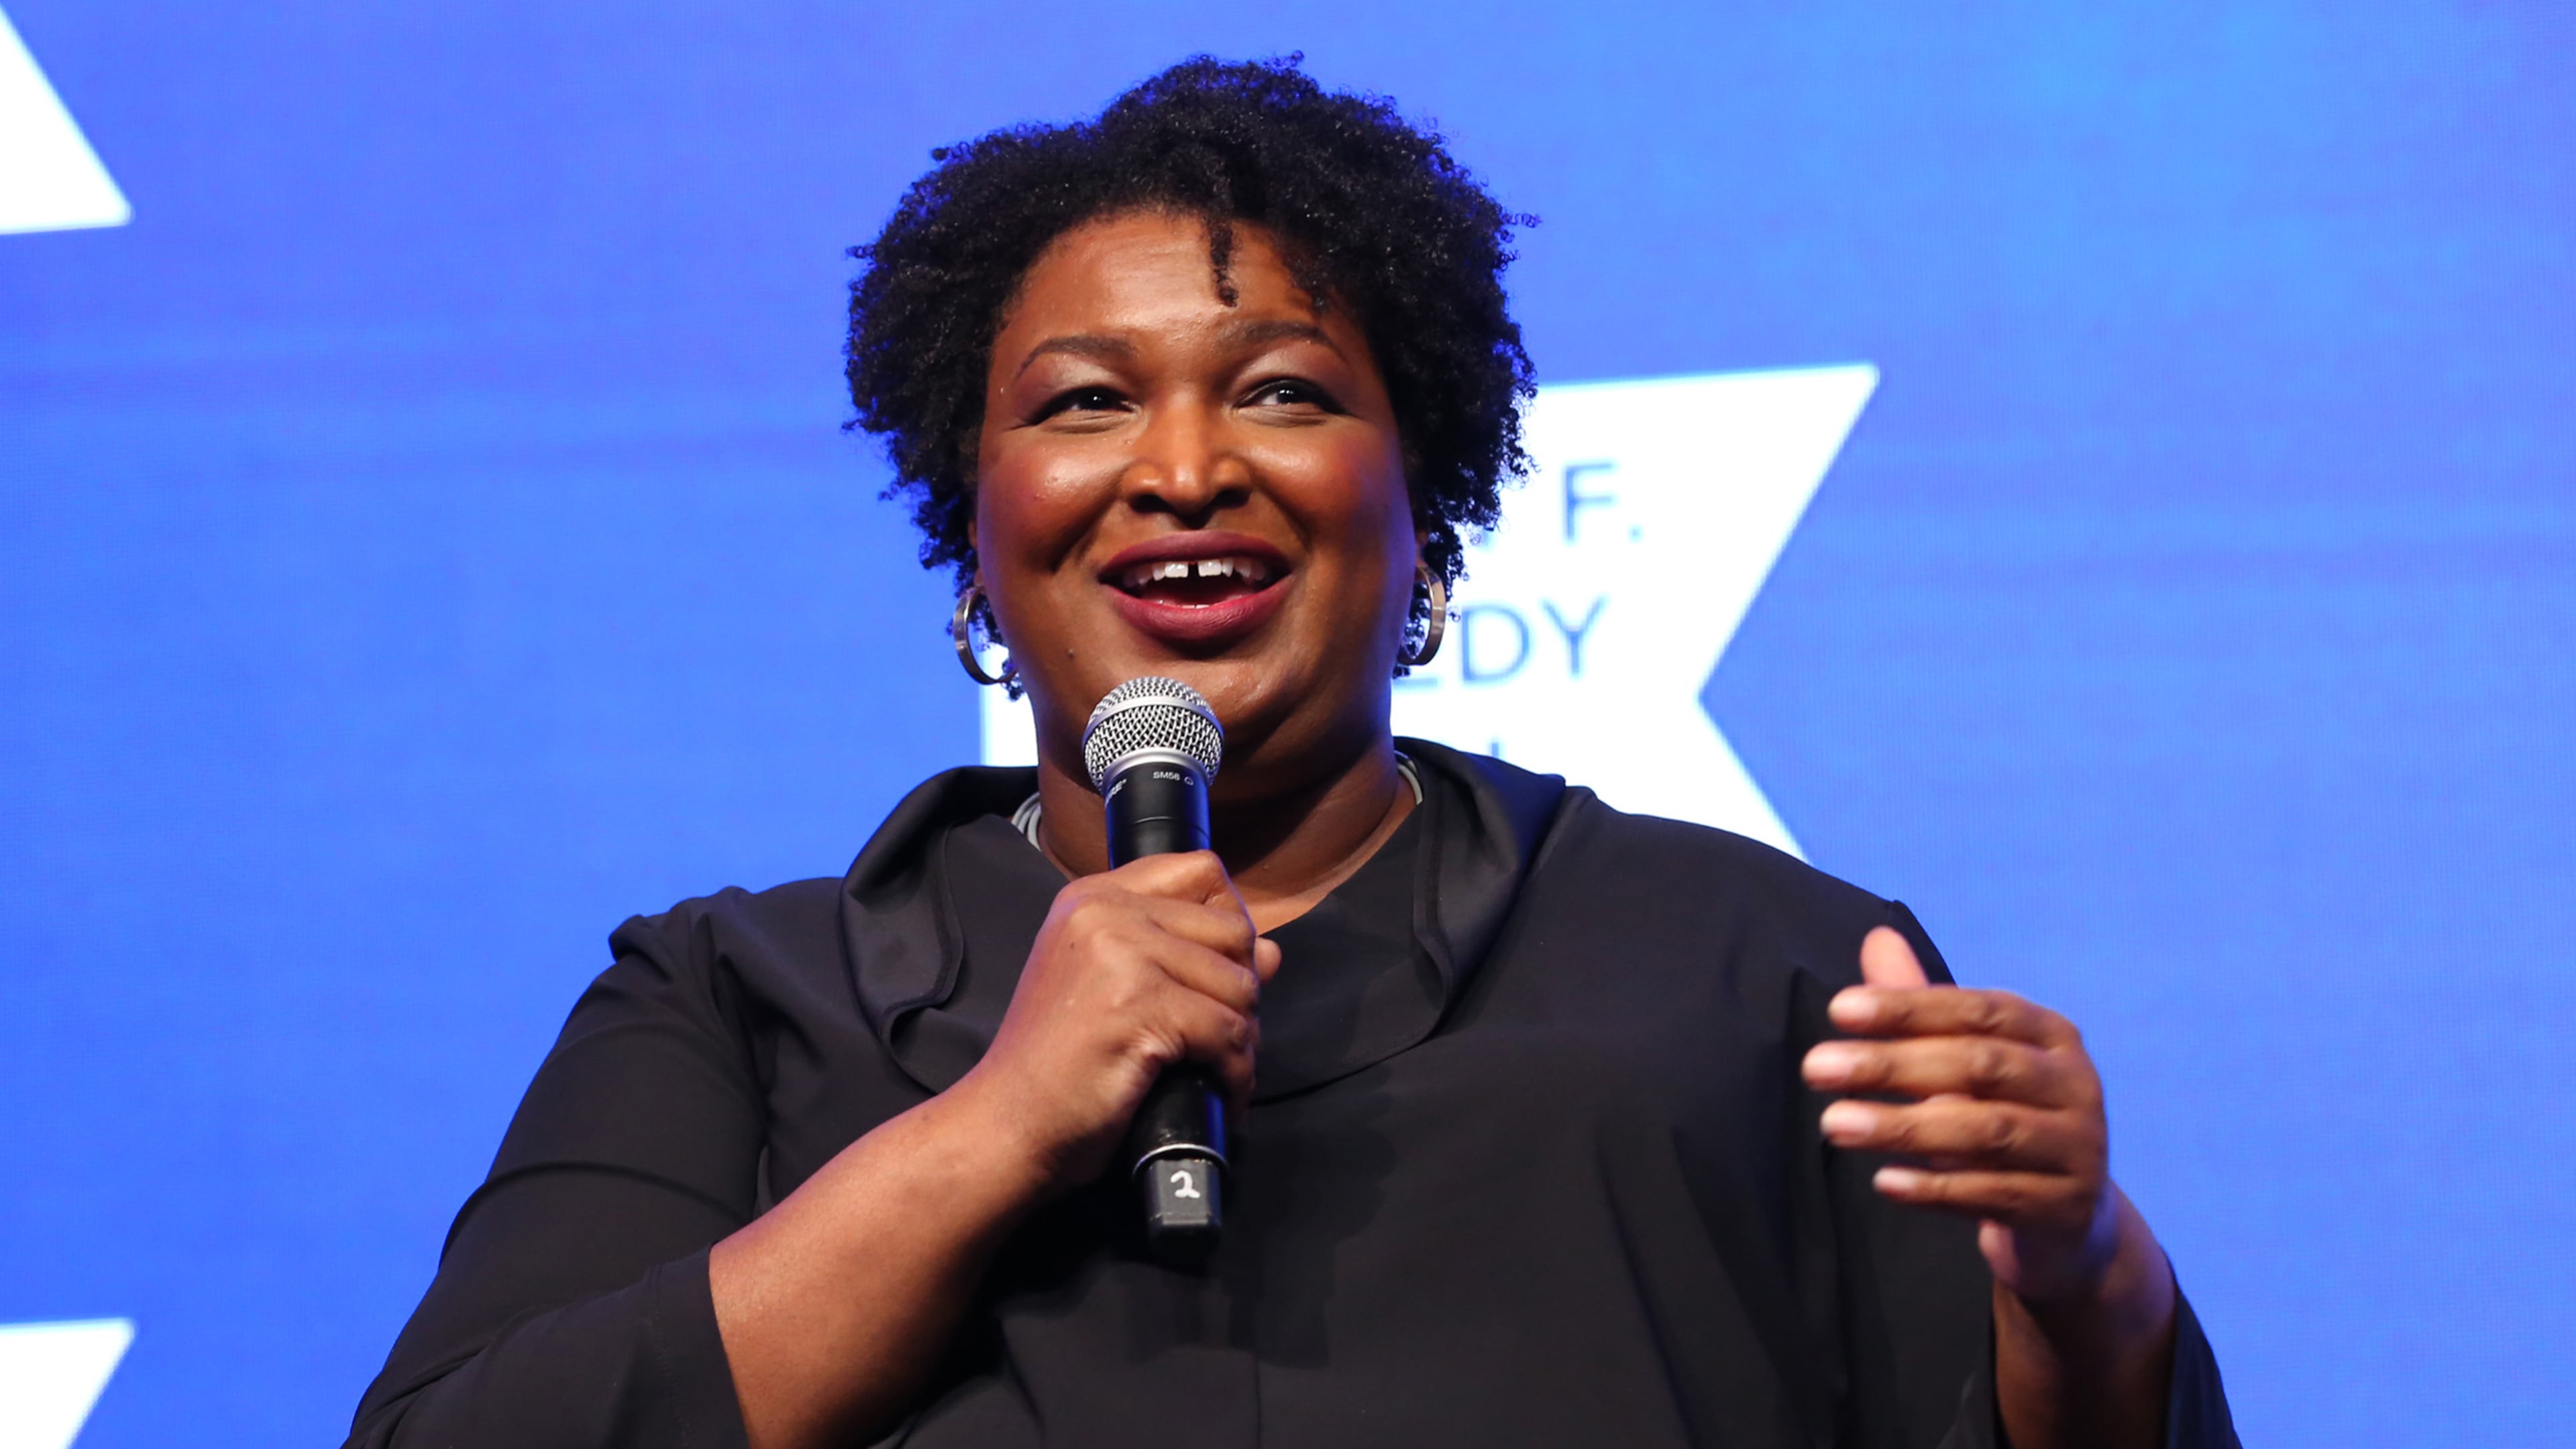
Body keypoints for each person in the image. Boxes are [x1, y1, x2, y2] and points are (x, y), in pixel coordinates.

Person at [347, 56, 2236, 1449]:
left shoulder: (1770, 975)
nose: (1183, 468)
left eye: (1282, 394)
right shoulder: (736, 1006)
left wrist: (2087, 1283)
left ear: (1429, 514)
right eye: (1087, 405)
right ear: (978, 533)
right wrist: (1003, 1124)